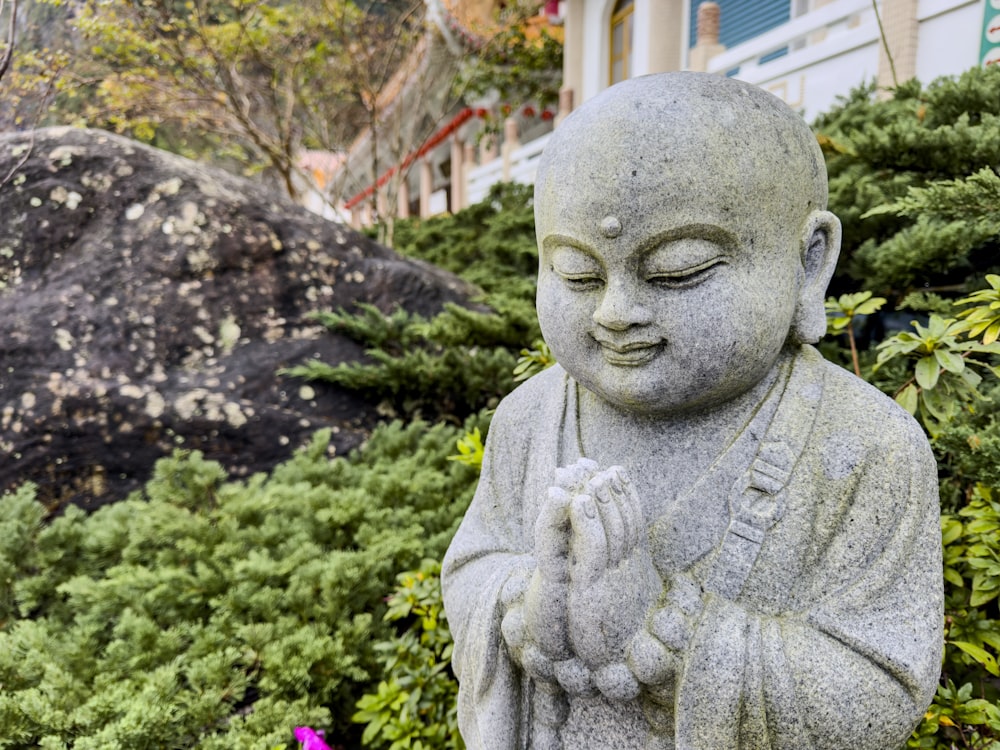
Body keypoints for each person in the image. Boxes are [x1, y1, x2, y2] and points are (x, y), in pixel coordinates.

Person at [441, 72, 942, 750]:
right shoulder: (528, 420)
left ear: (810, 262)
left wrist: (663, 627)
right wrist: (529, 602)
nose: (617, 313)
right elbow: (472, 566)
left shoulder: (860, 444)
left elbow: (882, 682)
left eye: (677, 271)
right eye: (578, 274)